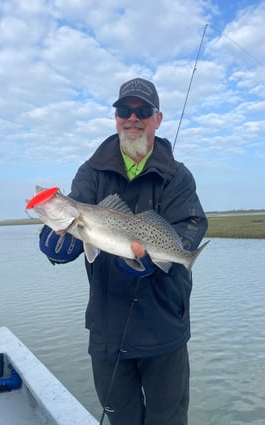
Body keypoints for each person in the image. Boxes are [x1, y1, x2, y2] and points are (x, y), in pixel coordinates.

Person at [39, 77, 208, 425]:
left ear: (157, 119)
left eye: (142, 111)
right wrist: (57, 245)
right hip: (108, 330)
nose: (132, 118)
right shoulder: (92, 171)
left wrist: (165, 255)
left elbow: (191, 224)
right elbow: (74, 227)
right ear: (115, 117)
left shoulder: (177, 176)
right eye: (124, 110)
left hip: (164, 328)